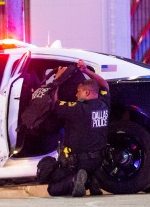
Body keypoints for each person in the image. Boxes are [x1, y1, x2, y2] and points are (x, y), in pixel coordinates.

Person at [37, 59, 110, 197]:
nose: (76, 95)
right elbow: (104, 84)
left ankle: (77, 179)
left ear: (87, 93)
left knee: (53, 188)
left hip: (78, 162)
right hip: (98, 162)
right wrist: (86, 71)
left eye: (78, 92)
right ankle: (91, 179)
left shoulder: (78, 108)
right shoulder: (104, 103)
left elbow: (54, 103)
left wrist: (58, 79)